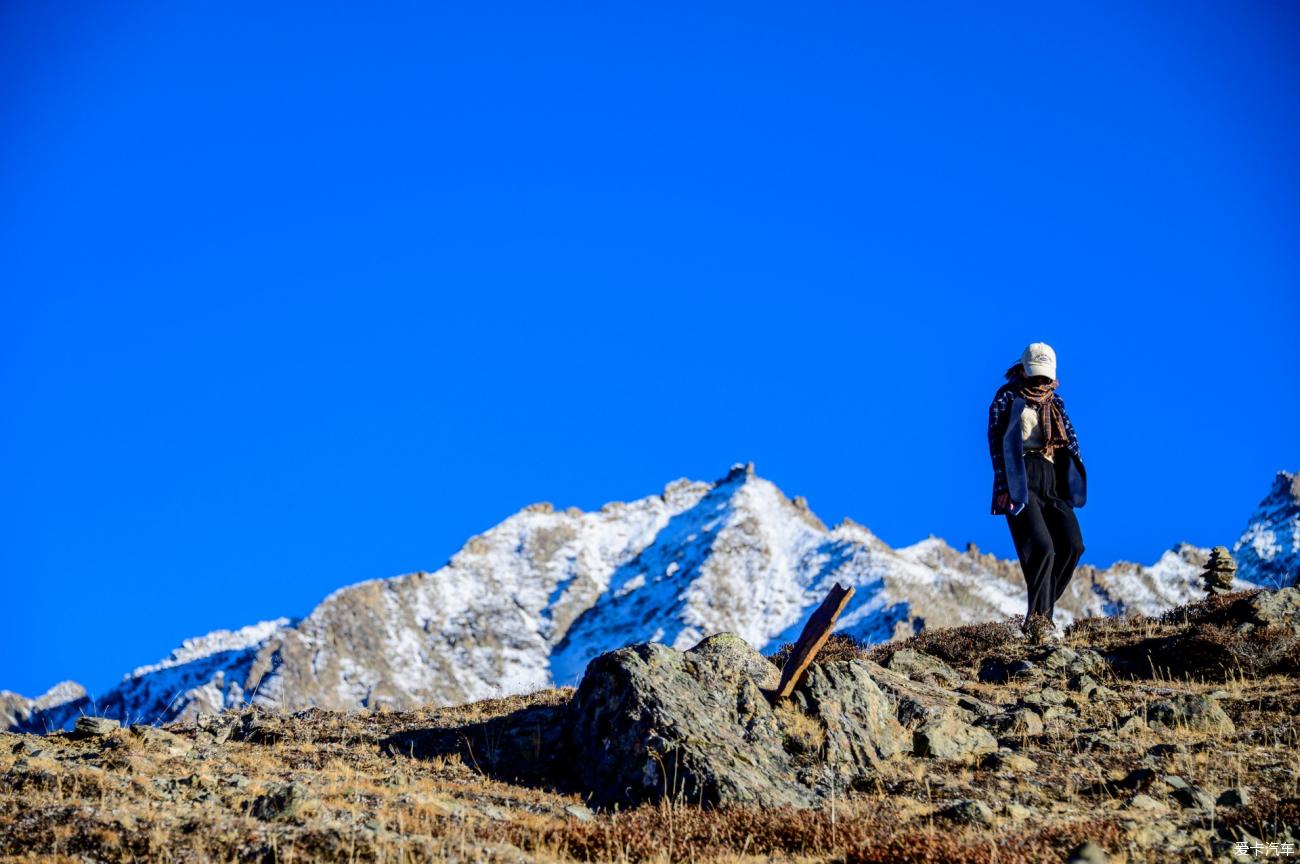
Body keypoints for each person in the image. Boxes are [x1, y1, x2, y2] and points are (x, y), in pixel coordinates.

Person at [987, 342, 1087, 639]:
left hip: (1052, 479)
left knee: (1072, 545)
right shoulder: (1006, 398)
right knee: (1041, 549)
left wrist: (1073, 482)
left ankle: (1038, 614)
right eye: (1037, 376)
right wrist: (1004, 486)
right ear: (1024, 370)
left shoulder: (1056, 403)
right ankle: (1040, 625)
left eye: (1046, 377)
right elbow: (997, 443)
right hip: (1021, 478)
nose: (1042, 382)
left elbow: (1071, 445)